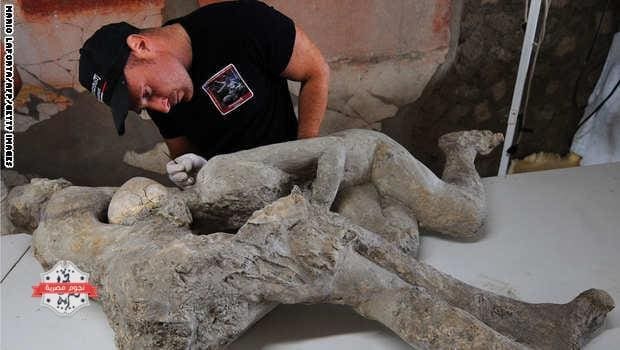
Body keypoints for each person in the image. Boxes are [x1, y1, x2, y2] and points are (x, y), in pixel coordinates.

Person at [78, 0, 329, 187]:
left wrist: (304, 155)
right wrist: (193, 174)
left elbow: (316, 72)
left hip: (288, 176)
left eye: (146, 93)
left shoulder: (242, 22)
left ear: (141, 46)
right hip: (231, 194)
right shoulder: (163, 98)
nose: (161, 108)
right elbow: (187, 158)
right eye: (143, 106)